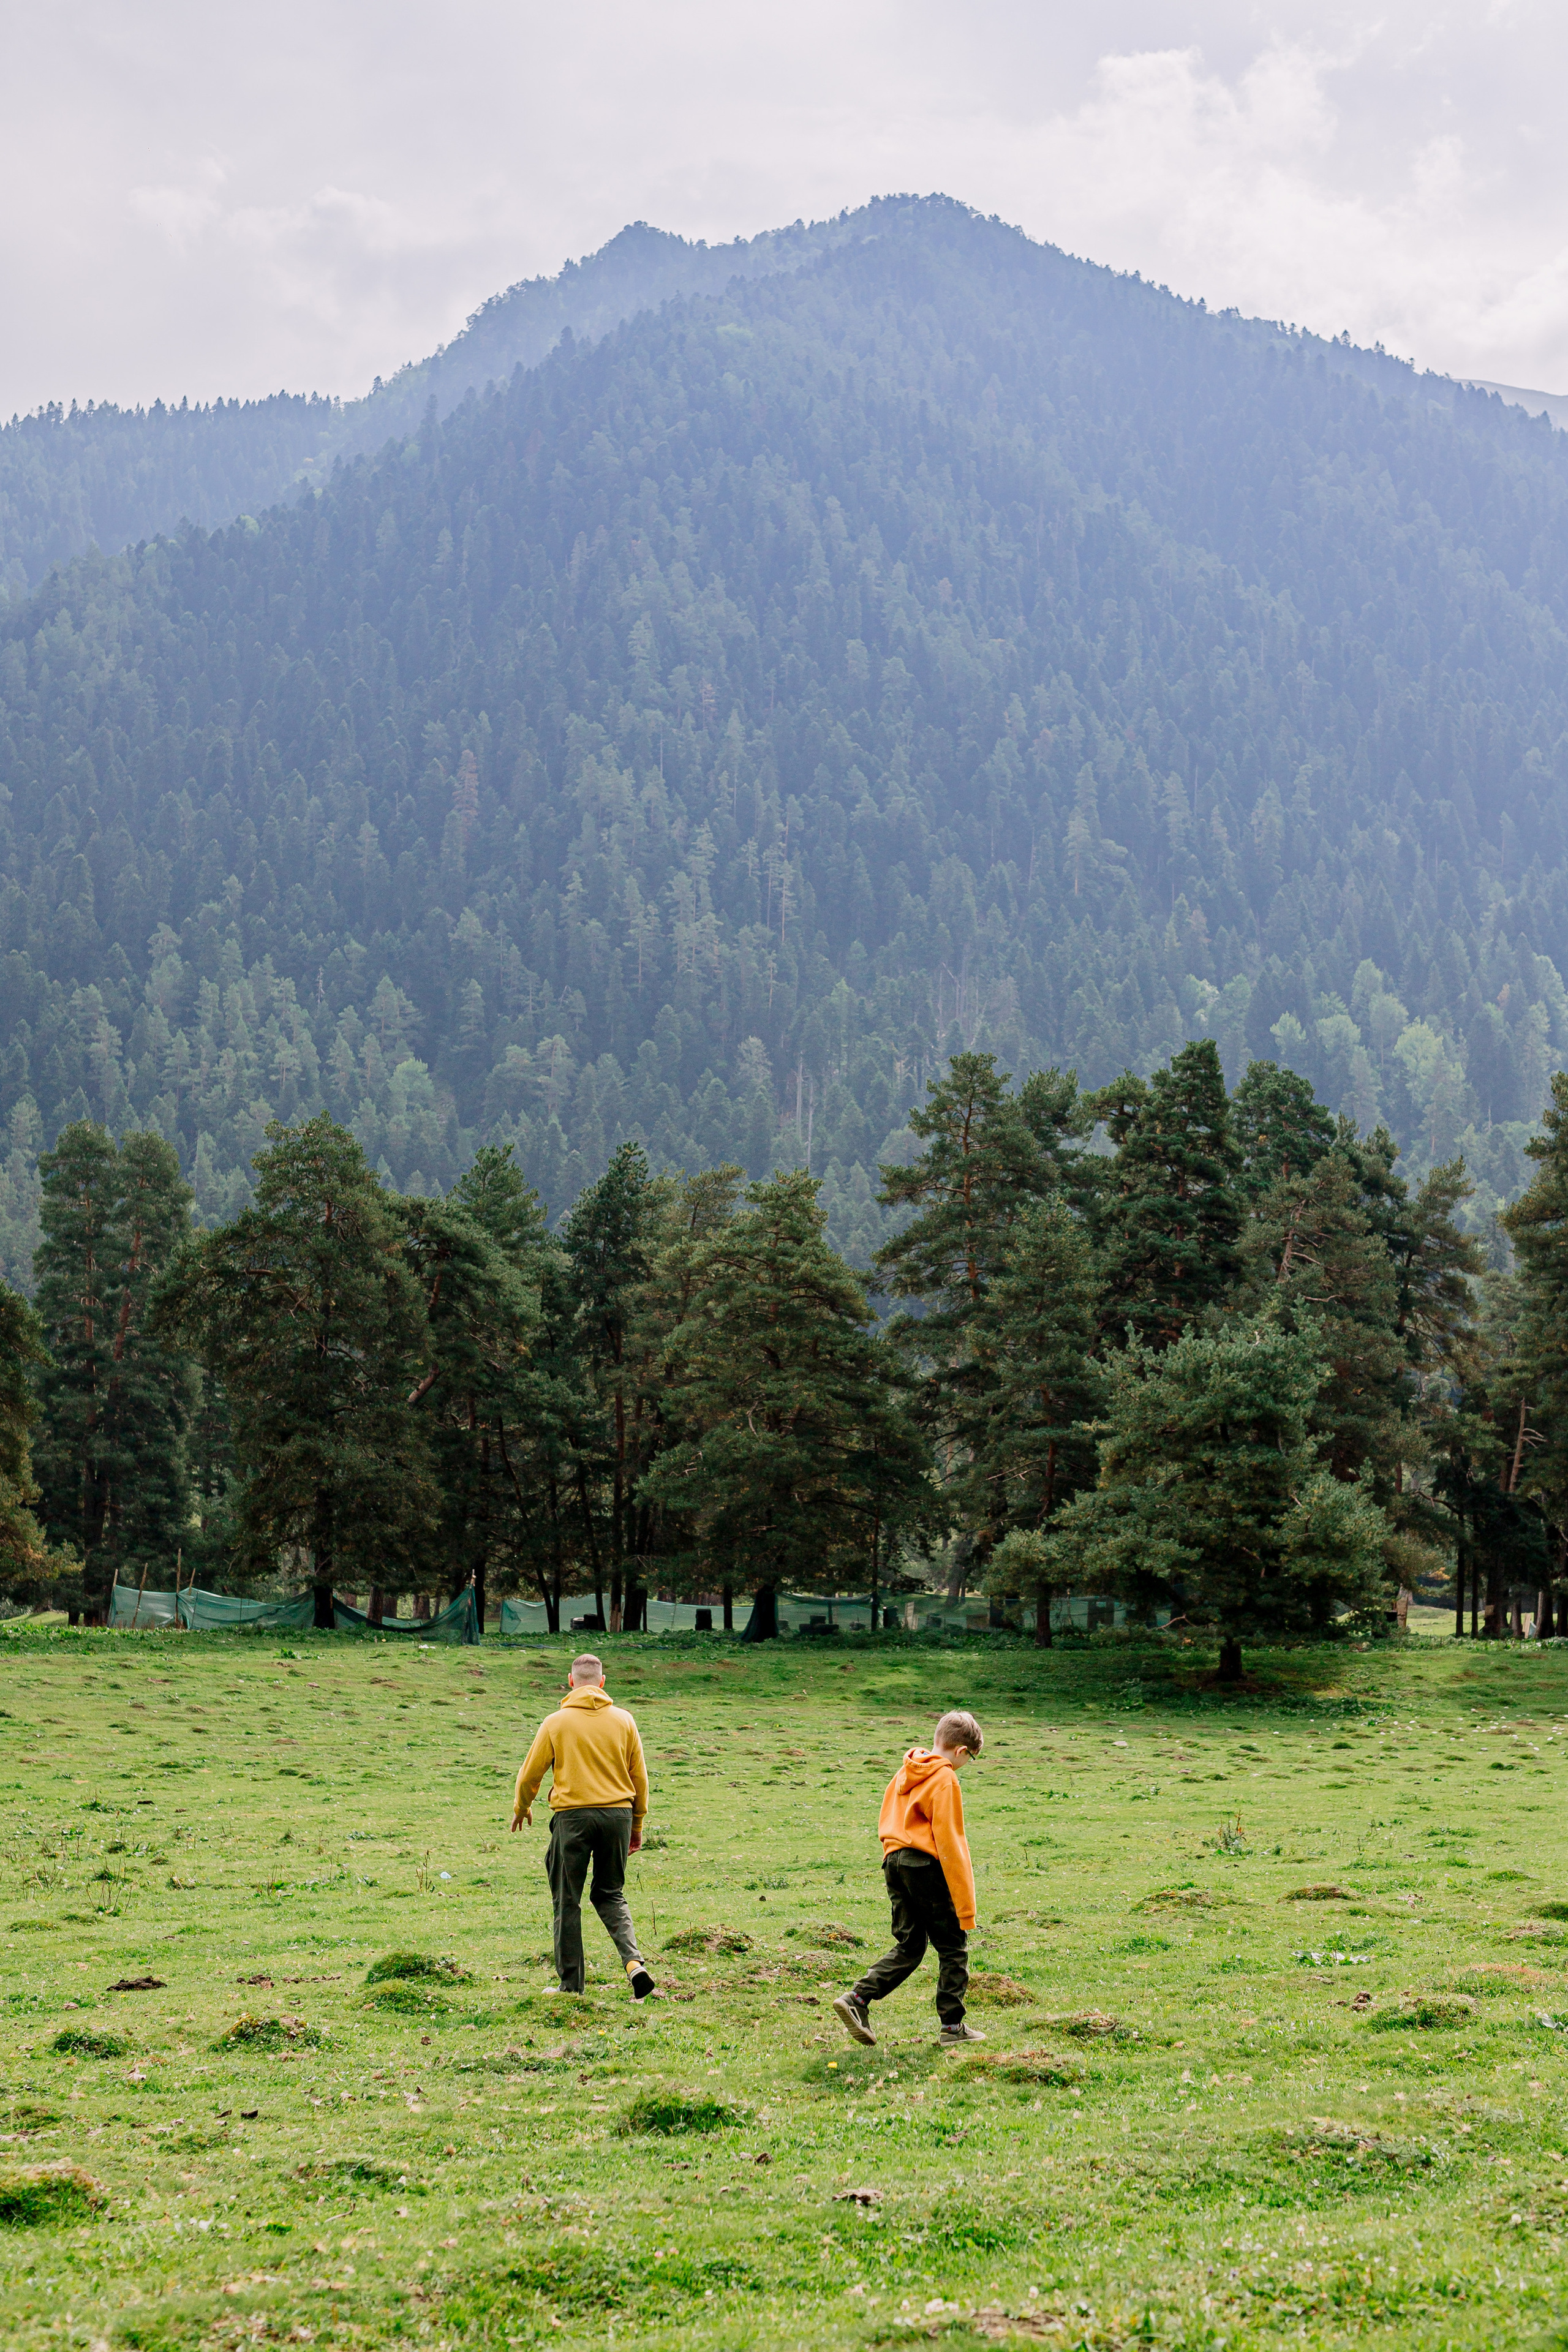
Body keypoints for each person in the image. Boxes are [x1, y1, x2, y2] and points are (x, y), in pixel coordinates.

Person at [832, 1708, 984, 2048]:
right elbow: (950, 1842)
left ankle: (857, 1999)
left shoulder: (905, 1772)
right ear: (961, 1751)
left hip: (893, 1861)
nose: (966, 1765)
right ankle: (952, 2028)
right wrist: (965, 1904)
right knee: (952, 1947)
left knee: (911, 1946)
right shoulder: (945, 1779)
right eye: (971, 1758)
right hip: (925, 1865)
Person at [511, 1651, 656, 2000]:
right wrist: (636, 1824)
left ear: (571, 1682)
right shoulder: (625, 1720)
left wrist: (523, 1806)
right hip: (618, 1816)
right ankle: (634, 1963)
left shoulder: (556, 1722)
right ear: (603, 1683)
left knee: (568, 1900)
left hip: (573, 1818)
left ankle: (571, 1985)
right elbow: (640, 1778)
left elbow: (531, 1774)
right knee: (610, 1894)